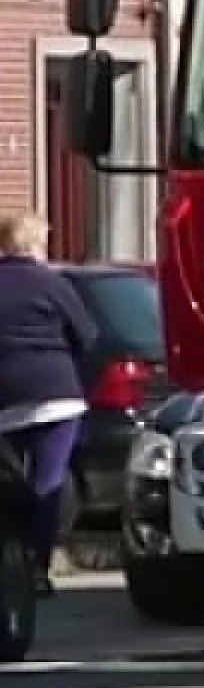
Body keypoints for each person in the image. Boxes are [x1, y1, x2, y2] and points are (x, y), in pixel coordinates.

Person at [0, 211, 98, 598]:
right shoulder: (53, 283)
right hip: (56, 394)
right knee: (49, 481)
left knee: (11, 483)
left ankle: (12, 556)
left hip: (5, 398)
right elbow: (87, 335)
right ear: (35, 245)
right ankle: (36, 565)